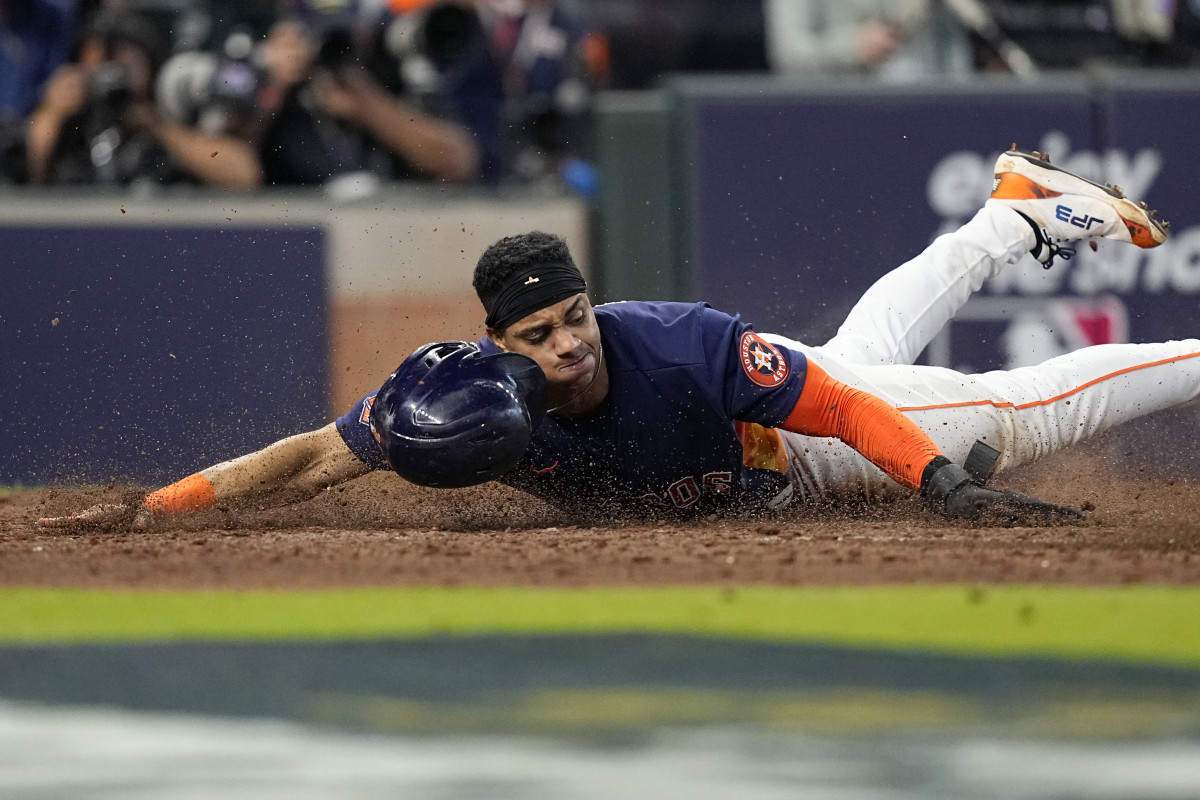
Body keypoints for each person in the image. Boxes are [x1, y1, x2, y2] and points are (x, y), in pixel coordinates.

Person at [39, 145, 1184, 529]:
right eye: (541, 331)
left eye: (576, 315)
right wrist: (158, 511)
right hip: (777, 429)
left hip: (812, 454)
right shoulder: (466, 399)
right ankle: (1005, 215)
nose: (570, 342)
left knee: (1027, 409)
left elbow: (833, 409)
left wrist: (932, 478)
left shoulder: (676, 344)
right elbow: (313, 454)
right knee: (861, 341)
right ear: (501, 339)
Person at [26, 9, 262, 188]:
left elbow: (245, 175)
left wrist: (157, 126)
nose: (109, 75)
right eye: (97, 65)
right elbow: (27, 184)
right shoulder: (74, 125)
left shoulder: (171, 119)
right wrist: (51, 114)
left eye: (122, 63)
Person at [763, 0, 973, 81]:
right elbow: (788, 52)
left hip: (928, 114)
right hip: (837, 116)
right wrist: (851, 47)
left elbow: (954, 57)